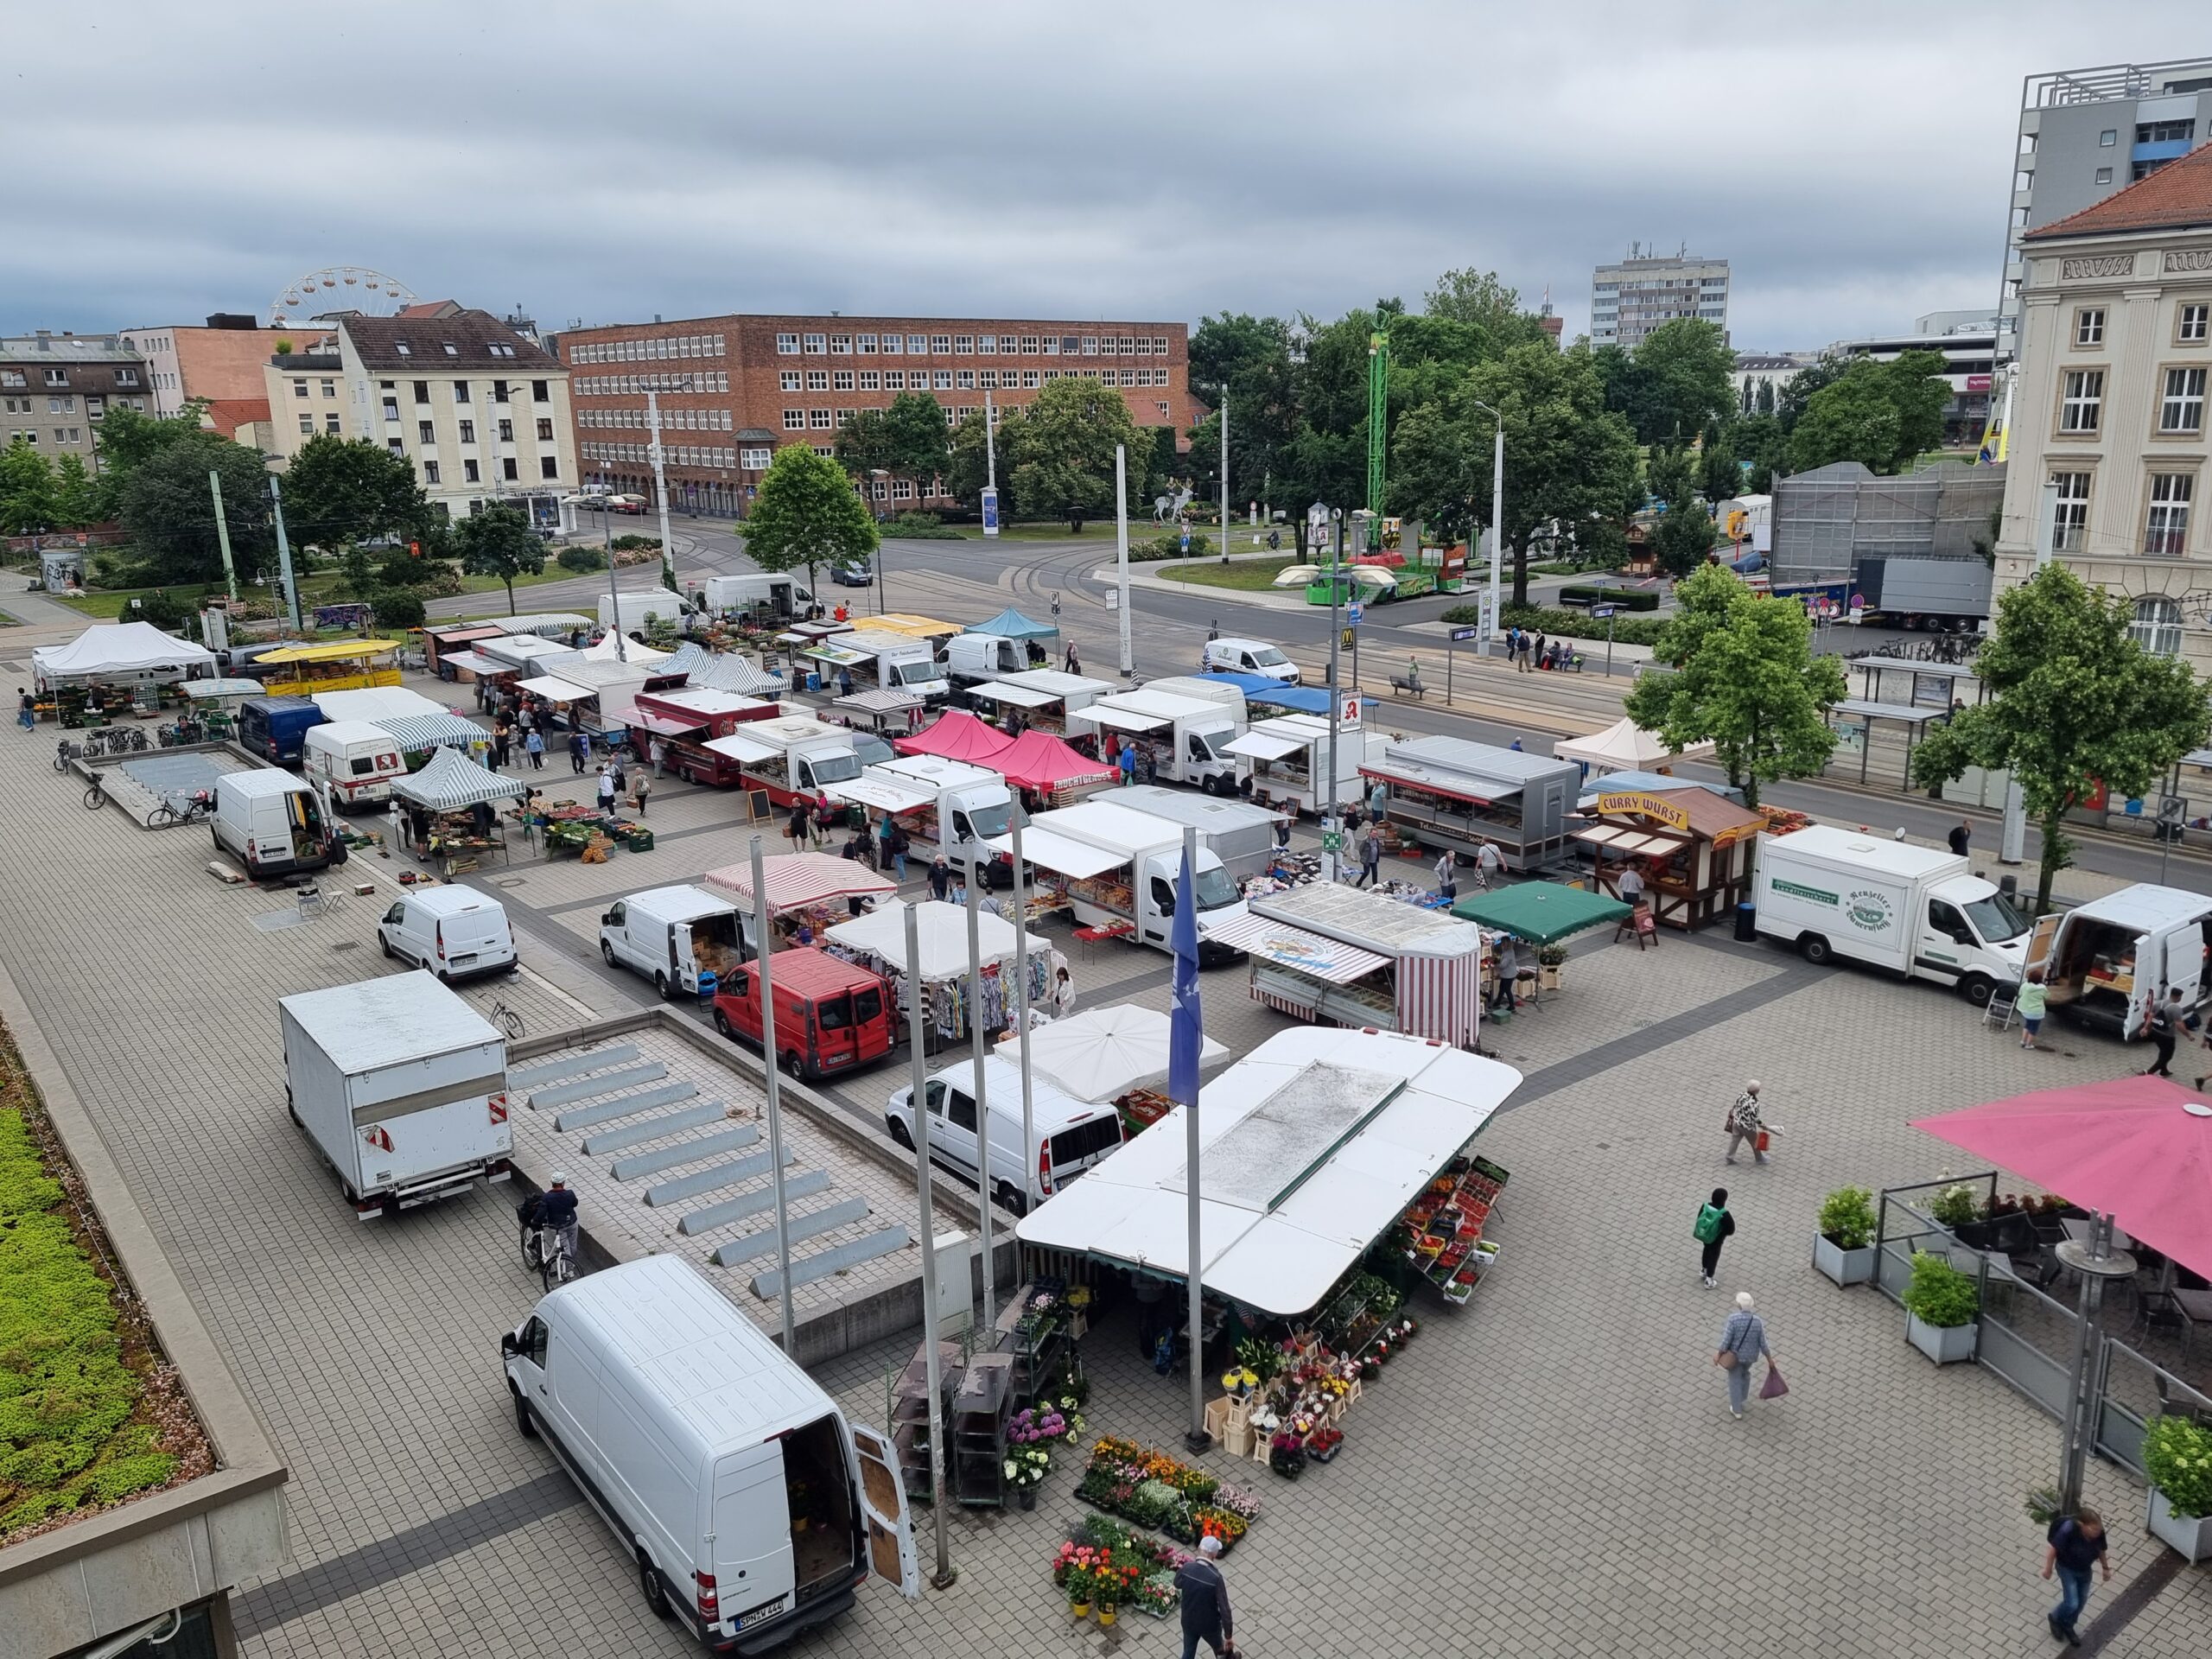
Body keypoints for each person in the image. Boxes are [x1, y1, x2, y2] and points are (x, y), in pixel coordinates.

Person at [2043, 1506, 2110, 1645]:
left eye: (2098, 1529)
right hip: (2067, 1568)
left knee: (2081, 1601)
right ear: (2082, 1525)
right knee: (2072, 1602)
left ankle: (2068, 1624)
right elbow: (2053, 1549)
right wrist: (2048, 1569)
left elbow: (2101, 1550)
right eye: (2093, 1529)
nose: (2097, 1532)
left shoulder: (2099, 1533)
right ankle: (2055, 1618)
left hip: (2085, 1570)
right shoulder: (2069, 1529)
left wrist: (2105, 1568)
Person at [1175, 1534, 1237, 1659]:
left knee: (1188, 1650)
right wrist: (1228, 1636)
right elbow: (1225, 1610)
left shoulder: (1187, 1568)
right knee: (1220, 1652)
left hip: (1188, 1620)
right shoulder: (1215, 1578)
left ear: (1199, 1549)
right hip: (1210, 1626)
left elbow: (1177, 1583)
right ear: (1214, 1555)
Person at [1715, 1291, 1770, 1420]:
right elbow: (1763, 1343)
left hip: (1736, 1356)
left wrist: (1719, 1354)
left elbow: (1726, 1340)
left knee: (1735, 1379)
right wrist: (1769, 1359)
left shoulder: (1733, 1319)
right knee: (1745, 1375)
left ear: (1738, 1305)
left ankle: (1736, 1409)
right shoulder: (1757, 1321)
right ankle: (1742, 1398)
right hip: (1750, 1357)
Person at [532, 1174, 580, 1269]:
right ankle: (569, 1265)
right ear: (562, 1183)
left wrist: (535, 1220)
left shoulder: (547, 1197)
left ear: (553, 1183)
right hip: (571, 1222)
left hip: (557, 1226)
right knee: (572, 1245)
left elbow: (542, 1212)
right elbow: (575, 1203)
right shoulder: (570, 1193)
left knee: (565, 1248)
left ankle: (568, 1267)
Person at [1695, 1186, 1735, 1288]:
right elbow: (1731, 1230)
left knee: (1706, 1250)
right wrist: (1721, 1233)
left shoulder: (1705, 1206)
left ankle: (1704, 1270)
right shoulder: (1724, 1214)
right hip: (1717, 1239)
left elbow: (1700, 1217)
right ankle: (1709, 1280)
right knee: (1714, 1256)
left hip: (1705, 1235)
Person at [2145, 985, 2186, 1077]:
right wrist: (2188, 1035)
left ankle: (2164, 1071)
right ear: (2178, 997)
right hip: (2167, 1036)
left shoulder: (2158, 1003)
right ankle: (2149, 1072)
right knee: (2168, 1055)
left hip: (2155, 1032)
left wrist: (2146, 1028)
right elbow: (2179, 1025)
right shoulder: (2176, 1009)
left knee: (2163, 1051)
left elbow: (2150, 1016)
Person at [1725, 1080, 1769, 1165]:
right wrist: (1761, 1124)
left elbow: (1736, 1104)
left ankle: (1729, 1157)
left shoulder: (1741, 1095)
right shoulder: (1754, 1102)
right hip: (1747, 1127)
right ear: (1756, 1091)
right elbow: (1754, 1117)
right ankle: (1759, 1158)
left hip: (1737, 1122)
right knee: (1755, 1142)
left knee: (1735, 1141)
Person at [2018, 967, 2048, 1052]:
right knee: (2034, 1028)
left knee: (2027, 1025)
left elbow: (2020, 993)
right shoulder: (2043, 988)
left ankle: (2023, 1041)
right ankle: (2028, 1044)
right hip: (2037, 1013)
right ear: (2040, 979)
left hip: (2026, 1011)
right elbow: (2047, 997)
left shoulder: (2025, 985)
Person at [1489, 932, 1519, 1012]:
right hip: (1507, 974)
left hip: (1508, 975)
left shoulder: (1508, 953)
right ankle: (1498, 1002)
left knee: (1507, 990)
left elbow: (1503, 965)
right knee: (1502, 988)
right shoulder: (1508, 950)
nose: (1501, 945)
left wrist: (1495, 965)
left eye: (1502, 943)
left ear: (1505, 944)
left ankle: (1512, 1006)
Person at [1357, 824, 1382, 888]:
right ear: (1370, 833)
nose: (1375, 835)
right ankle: (1359, 882)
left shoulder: (1376, 840)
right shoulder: (1366, 841)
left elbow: (1377, 848)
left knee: (1375, 873)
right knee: (1366, 873)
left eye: (1376, 834)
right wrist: (1363, 857)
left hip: (1374, 860)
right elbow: (1361, 849)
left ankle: (1375, 886)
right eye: (1373, 833)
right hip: (1367, 860)